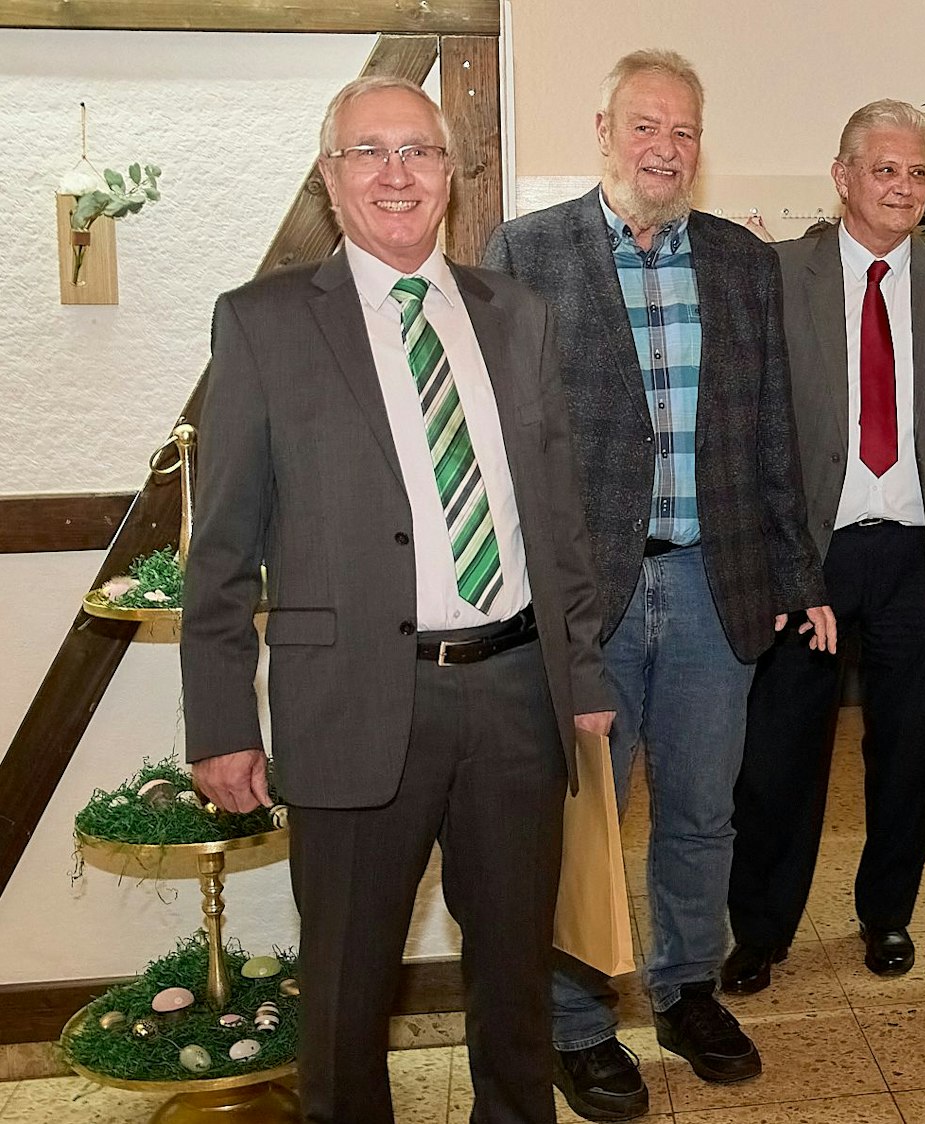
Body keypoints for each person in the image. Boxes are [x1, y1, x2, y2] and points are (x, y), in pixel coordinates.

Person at [182, 76, 615, 1124]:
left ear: (451, 179)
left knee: (516, 982)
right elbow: (223, 547)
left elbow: (554, 516)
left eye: (418, 152)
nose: (396, 173)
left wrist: (585, 676)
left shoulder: (517, 315)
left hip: (518, 695)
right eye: (368, 152)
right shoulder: (264, 325)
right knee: (344, 990)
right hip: (354, 702)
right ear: (331, 180)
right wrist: (224, 720)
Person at [482, 48, 830, 1116]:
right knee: (581, 822)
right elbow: (502, 436)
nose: (665, 149)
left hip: (712, 585)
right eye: (645, 127)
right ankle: (579, 1021)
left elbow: (771, 426)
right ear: (602, 132)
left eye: (683, 131)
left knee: (701, 808)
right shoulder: (528, 251)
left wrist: (792, 568)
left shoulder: (739, 261)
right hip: (586, 601)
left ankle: (684, 987)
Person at [724, 100, 925, 993]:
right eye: (884, 169)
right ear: (844, 177)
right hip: (809, 556)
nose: (903, 187)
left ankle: (887, 915)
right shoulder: (776, 275)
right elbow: (746, 425)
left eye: (918, 172)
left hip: (921, 558)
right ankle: (761, 931)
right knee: (780, 755)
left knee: (910, 754)